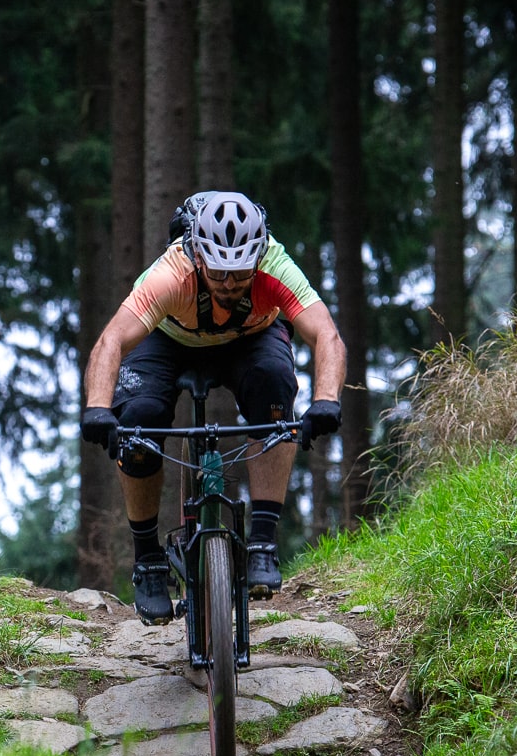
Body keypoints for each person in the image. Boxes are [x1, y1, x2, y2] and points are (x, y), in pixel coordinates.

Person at [80, 191, 346, 625]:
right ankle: (148, 559)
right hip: (169, 341)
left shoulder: (275, 267)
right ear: (199, 256)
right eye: (219, 273)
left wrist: (326, 400)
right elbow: (111, 340)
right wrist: (97, 408)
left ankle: (261, 541)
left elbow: (326, 336)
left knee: (275, 393)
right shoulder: (171, 275)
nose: (228, 284)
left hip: (251, 338)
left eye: (240, 274)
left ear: (258, 257)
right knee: (139, 421)